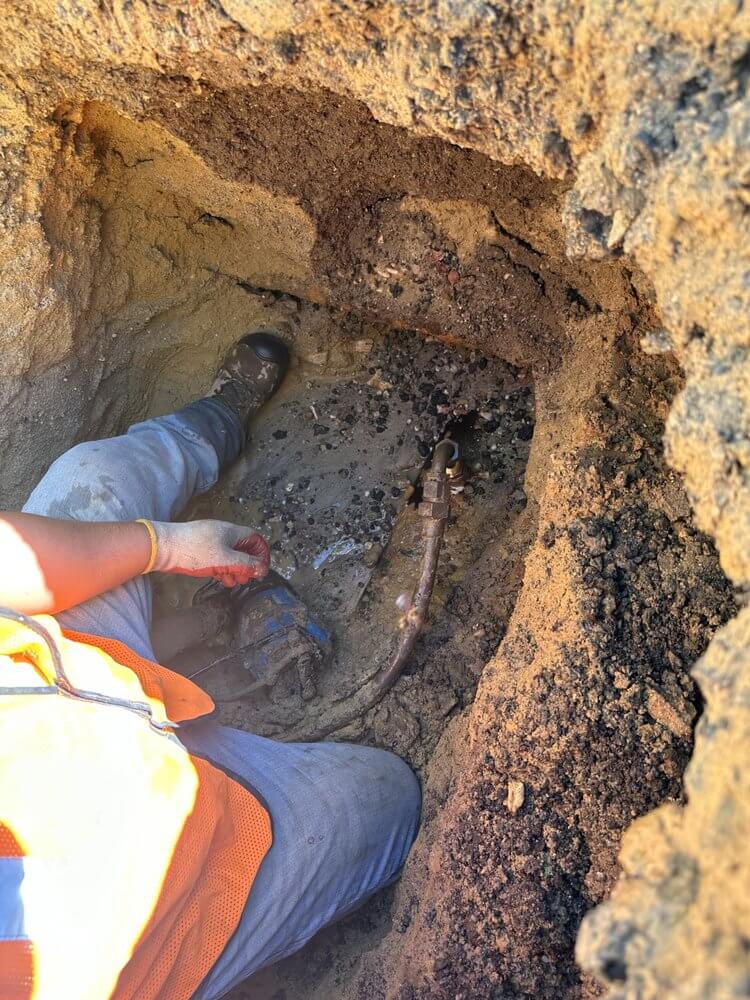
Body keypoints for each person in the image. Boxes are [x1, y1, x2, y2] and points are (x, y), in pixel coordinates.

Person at [0, 331, 420, 1000]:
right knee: (383, 796)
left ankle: (216, 421)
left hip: (61, 680)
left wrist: (162, 547)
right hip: (173, 898)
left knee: (92, 484)